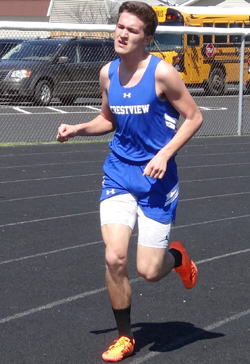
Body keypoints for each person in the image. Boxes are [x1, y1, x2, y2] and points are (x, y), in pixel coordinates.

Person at [57, 1, 203, 362]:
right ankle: (125, 337)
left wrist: (165, 154)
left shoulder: (163, 74)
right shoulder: (108, 73)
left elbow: (194, 117)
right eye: (120, 27)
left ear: (146, 38)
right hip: (119, 173)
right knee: (114, 256)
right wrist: (78, 128)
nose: (122, 34)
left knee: (149, 271)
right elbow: (109, 119)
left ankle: (177, 257)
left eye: (132, 30)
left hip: (156, 180)